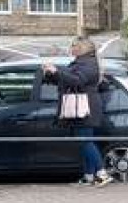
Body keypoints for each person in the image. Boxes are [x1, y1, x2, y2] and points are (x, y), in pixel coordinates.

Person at [44, 38, 112, 186]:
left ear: (83, 48)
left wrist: (57, 71)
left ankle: (102, 173)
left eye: (74, 45)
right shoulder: (80, 62)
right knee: (85, 142)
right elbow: (66, 79)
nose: (71, 48)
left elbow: (77, 81)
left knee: (85, 141)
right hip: (80, 107)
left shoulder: (89, 64)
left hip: (85, 108)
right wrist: (51, 74)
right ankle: (89, 176)